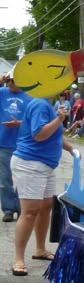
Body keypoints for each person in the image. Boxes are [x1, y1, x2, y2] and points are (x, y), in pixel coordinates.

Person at [11, 93, 73, 275]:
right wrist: (60, 119)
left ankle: (40, 249)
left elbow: (54, 134)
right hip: (30, 163)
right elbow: (39, 134)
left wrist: (70, 148)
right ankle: (18, 259)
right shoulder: (40, 104)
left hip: (45, 165)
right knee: (29, 212)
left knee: (46, 206)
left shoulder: (48, 105)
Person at [0, 70, 31, 222]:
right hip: (3, 142)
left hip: (23, 143)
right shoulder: (2, 92)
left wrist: (19, 123)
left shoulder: (31, 97)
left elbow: (36, 121)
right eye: (9, 80)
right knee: (5, 178)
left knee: (22, 178)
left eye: (14, 80)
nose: (11, 83)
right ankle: (8, 209)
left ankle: (21, 208)